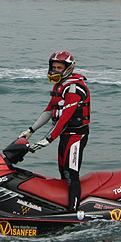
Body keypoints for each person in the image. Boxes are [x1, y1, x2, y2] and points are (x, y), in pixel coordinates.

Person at [19, 51, 90, 212]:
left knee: (72, 174)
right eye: (53, 67)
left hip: (76, 136)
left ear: (68, 69)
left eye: (59, 68)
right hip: (64, 136)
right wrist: (30, 130)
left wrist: (47, 140)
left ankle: (74, 212)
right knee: (63, 171)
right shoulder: (60, 86)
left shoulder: (74, 88)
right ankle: (63, 206)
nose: (54, 70)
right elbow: (50, 110)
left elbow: (65, 119)